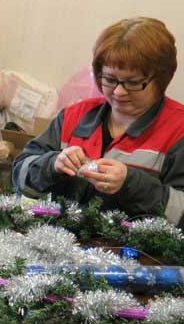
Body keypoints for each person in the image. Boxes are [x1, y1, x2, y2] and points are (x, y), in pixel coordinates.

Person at [13, 17, 184, 227]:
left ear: (161, 79)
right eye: (110, 79)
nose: (119, 92)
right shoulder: (72, 117)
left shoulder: (179, 131)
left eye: (132, 83)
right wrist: (52, 164)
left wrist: (131, 183)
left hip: (145, 257)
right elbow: (20, 178)